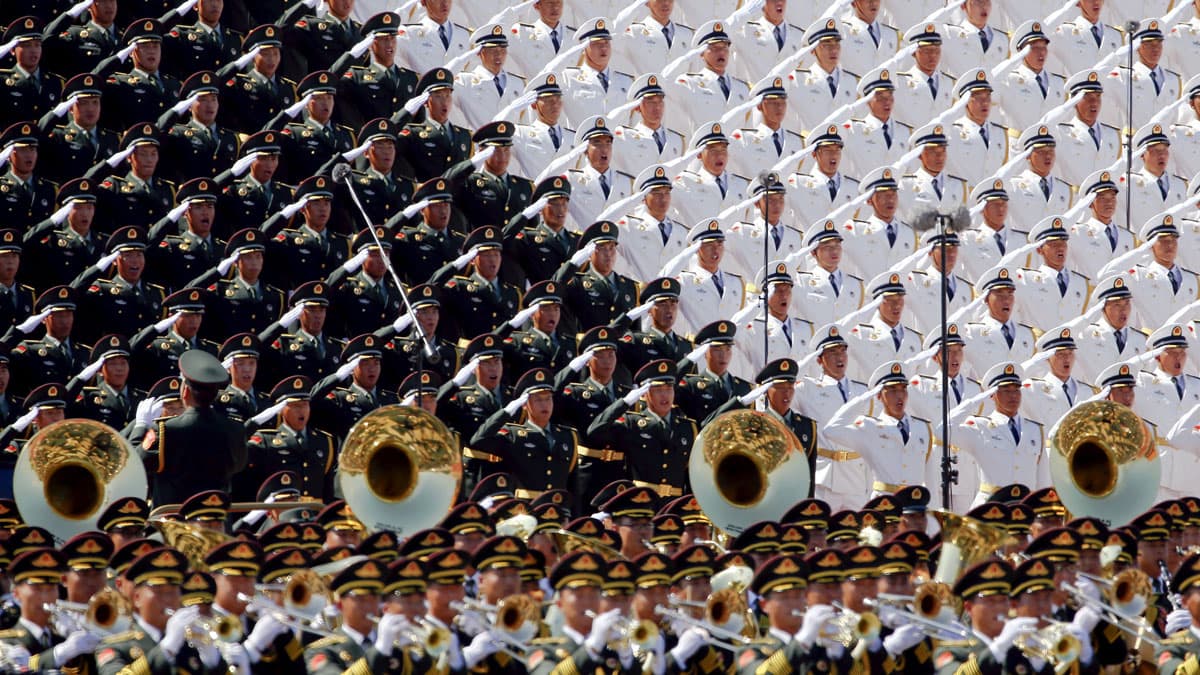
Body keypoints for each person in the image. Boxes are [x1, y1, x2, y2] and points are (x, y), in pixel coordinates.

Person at [139, 350, 246, 507]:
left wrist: (140, 425)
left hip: (175, 520)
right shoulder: (235, 428)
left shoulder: (166, 430)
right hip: (215, 517)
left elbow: (139, 461)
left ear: (185, 391)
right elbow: (239, 465)